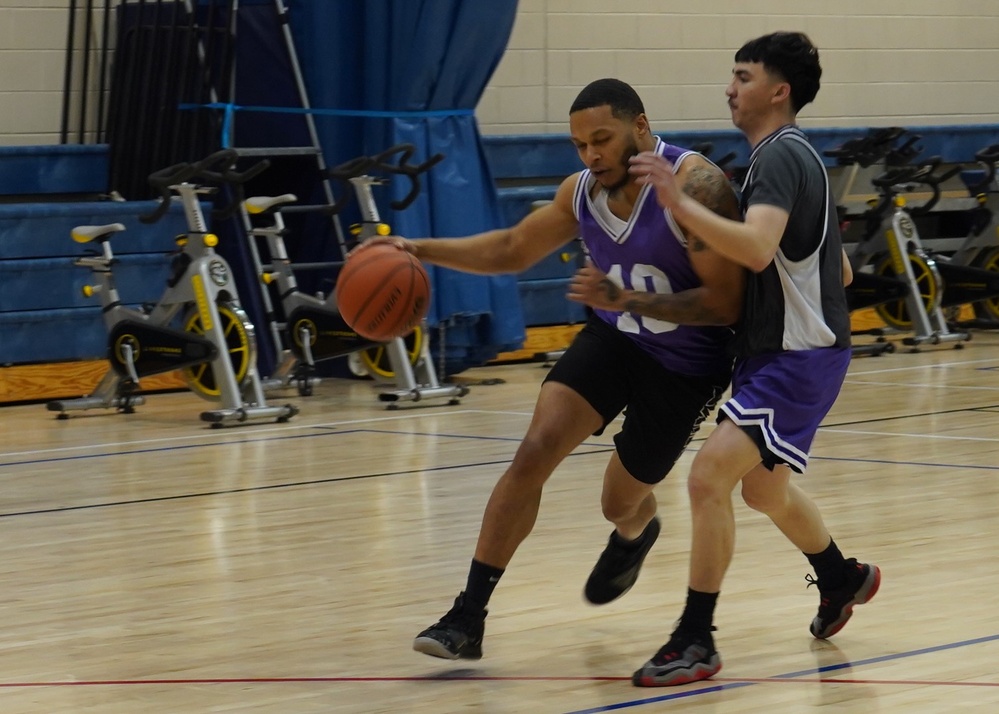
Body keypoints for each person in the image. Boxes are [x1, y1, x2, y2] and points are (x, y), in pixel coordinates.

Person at [383, 78, 745, 661]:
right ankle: (467, 616)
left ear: (642, 127)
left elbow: (725, 304)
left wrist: (622, 297)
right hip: (615, 339)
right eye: (580, 145)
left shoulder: (696, 187)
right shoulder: (581, 193)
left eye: (602, 139)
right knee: (534, 450)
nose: (591, 155)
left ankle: (635, 533)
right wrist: (419, 251)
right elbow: (510, 249)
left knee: (618, 502)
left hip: (686, 363)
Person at [589, 32, 879, 687]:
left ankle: (695, 640)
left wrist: (677, 202)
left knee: (706, 477)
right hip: (782, 352)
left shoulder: (778, 156)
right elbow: (838, 268)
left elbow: (753, 250)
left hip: (796, 356)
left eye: (742, 76)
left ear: (777, 91)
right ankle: (841, 578)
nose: (729, 87)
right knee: (761, 487)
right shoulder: (791, 158)